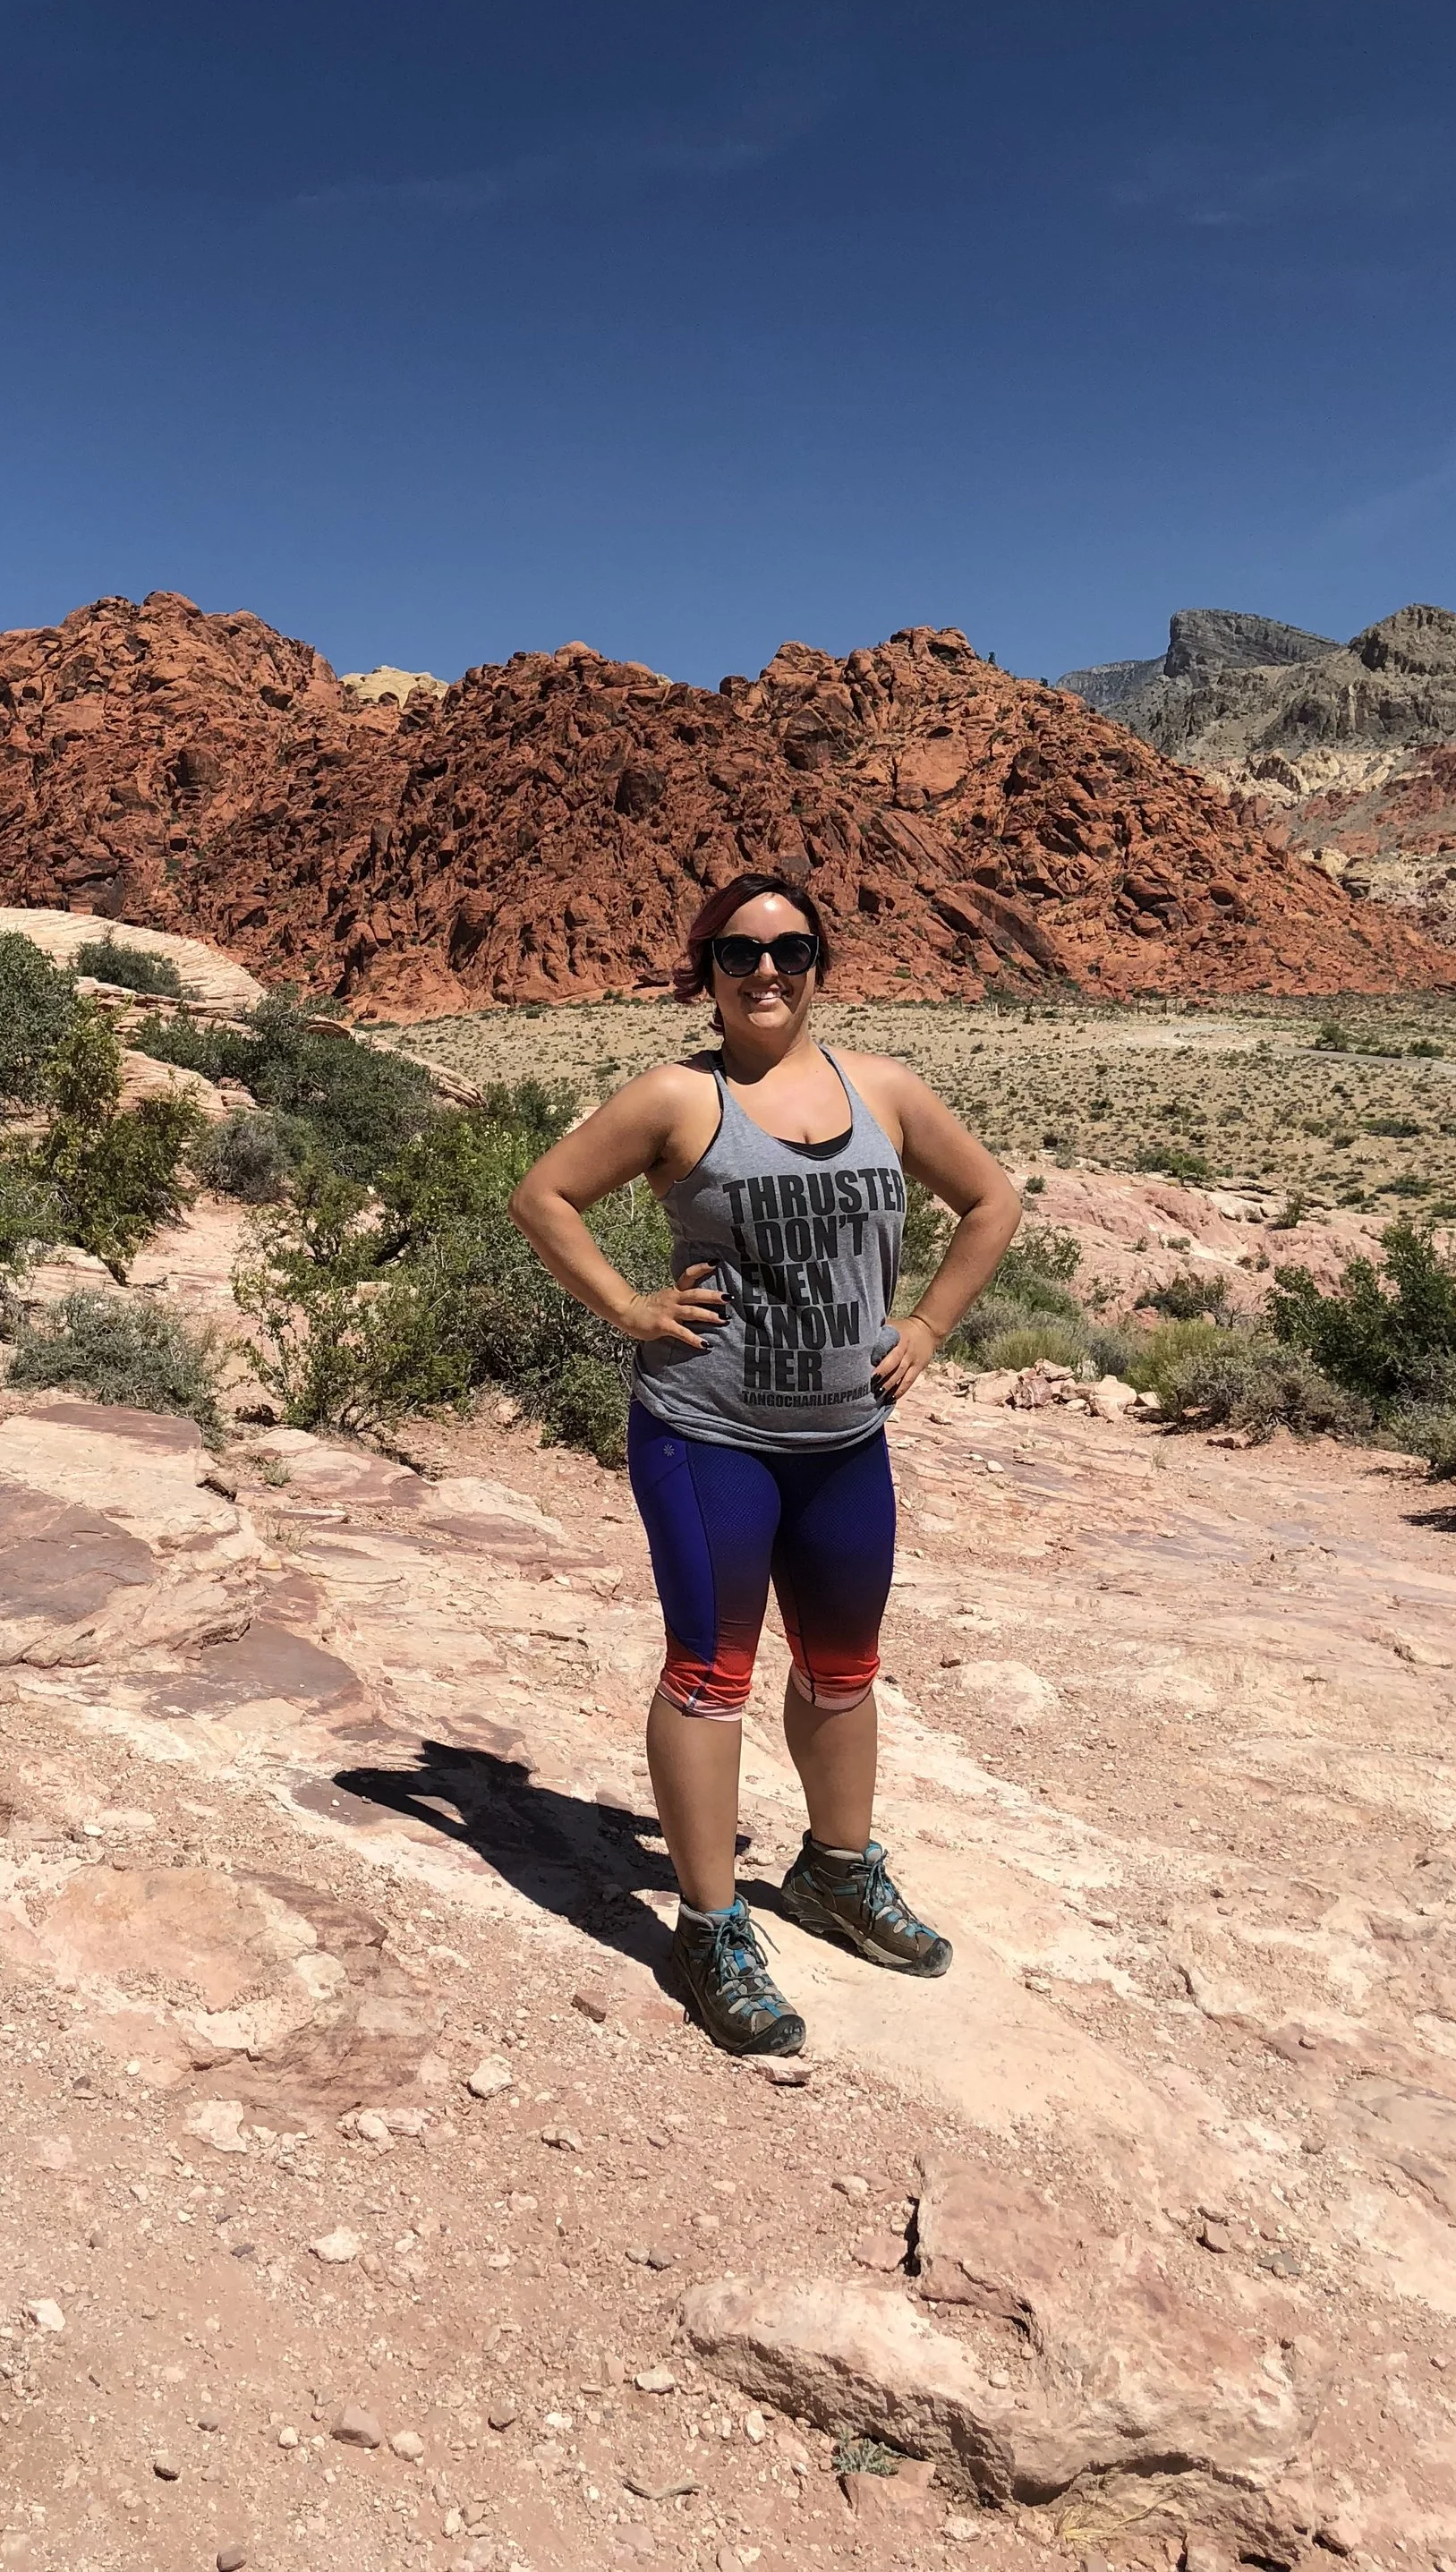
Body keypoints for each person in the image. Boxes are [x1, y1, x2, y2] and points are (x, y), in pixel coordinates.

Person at [509, 871, 1020, 2055]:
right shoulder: (675, 1098)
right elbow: (544, 1198)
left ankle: (839, 1874)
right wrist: (630, 1310)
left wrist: (931, 1326)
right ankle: (708, 1922)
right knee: (709, 1675)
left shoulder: (883, 1090)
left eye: (790, 948)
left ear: (821, 961)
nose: (767, 971)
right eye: (738, 953)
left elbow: (990, 1202)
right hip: (707, 1437)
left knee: (844, 1670)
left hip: (846, 1440)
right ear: (707, 969)